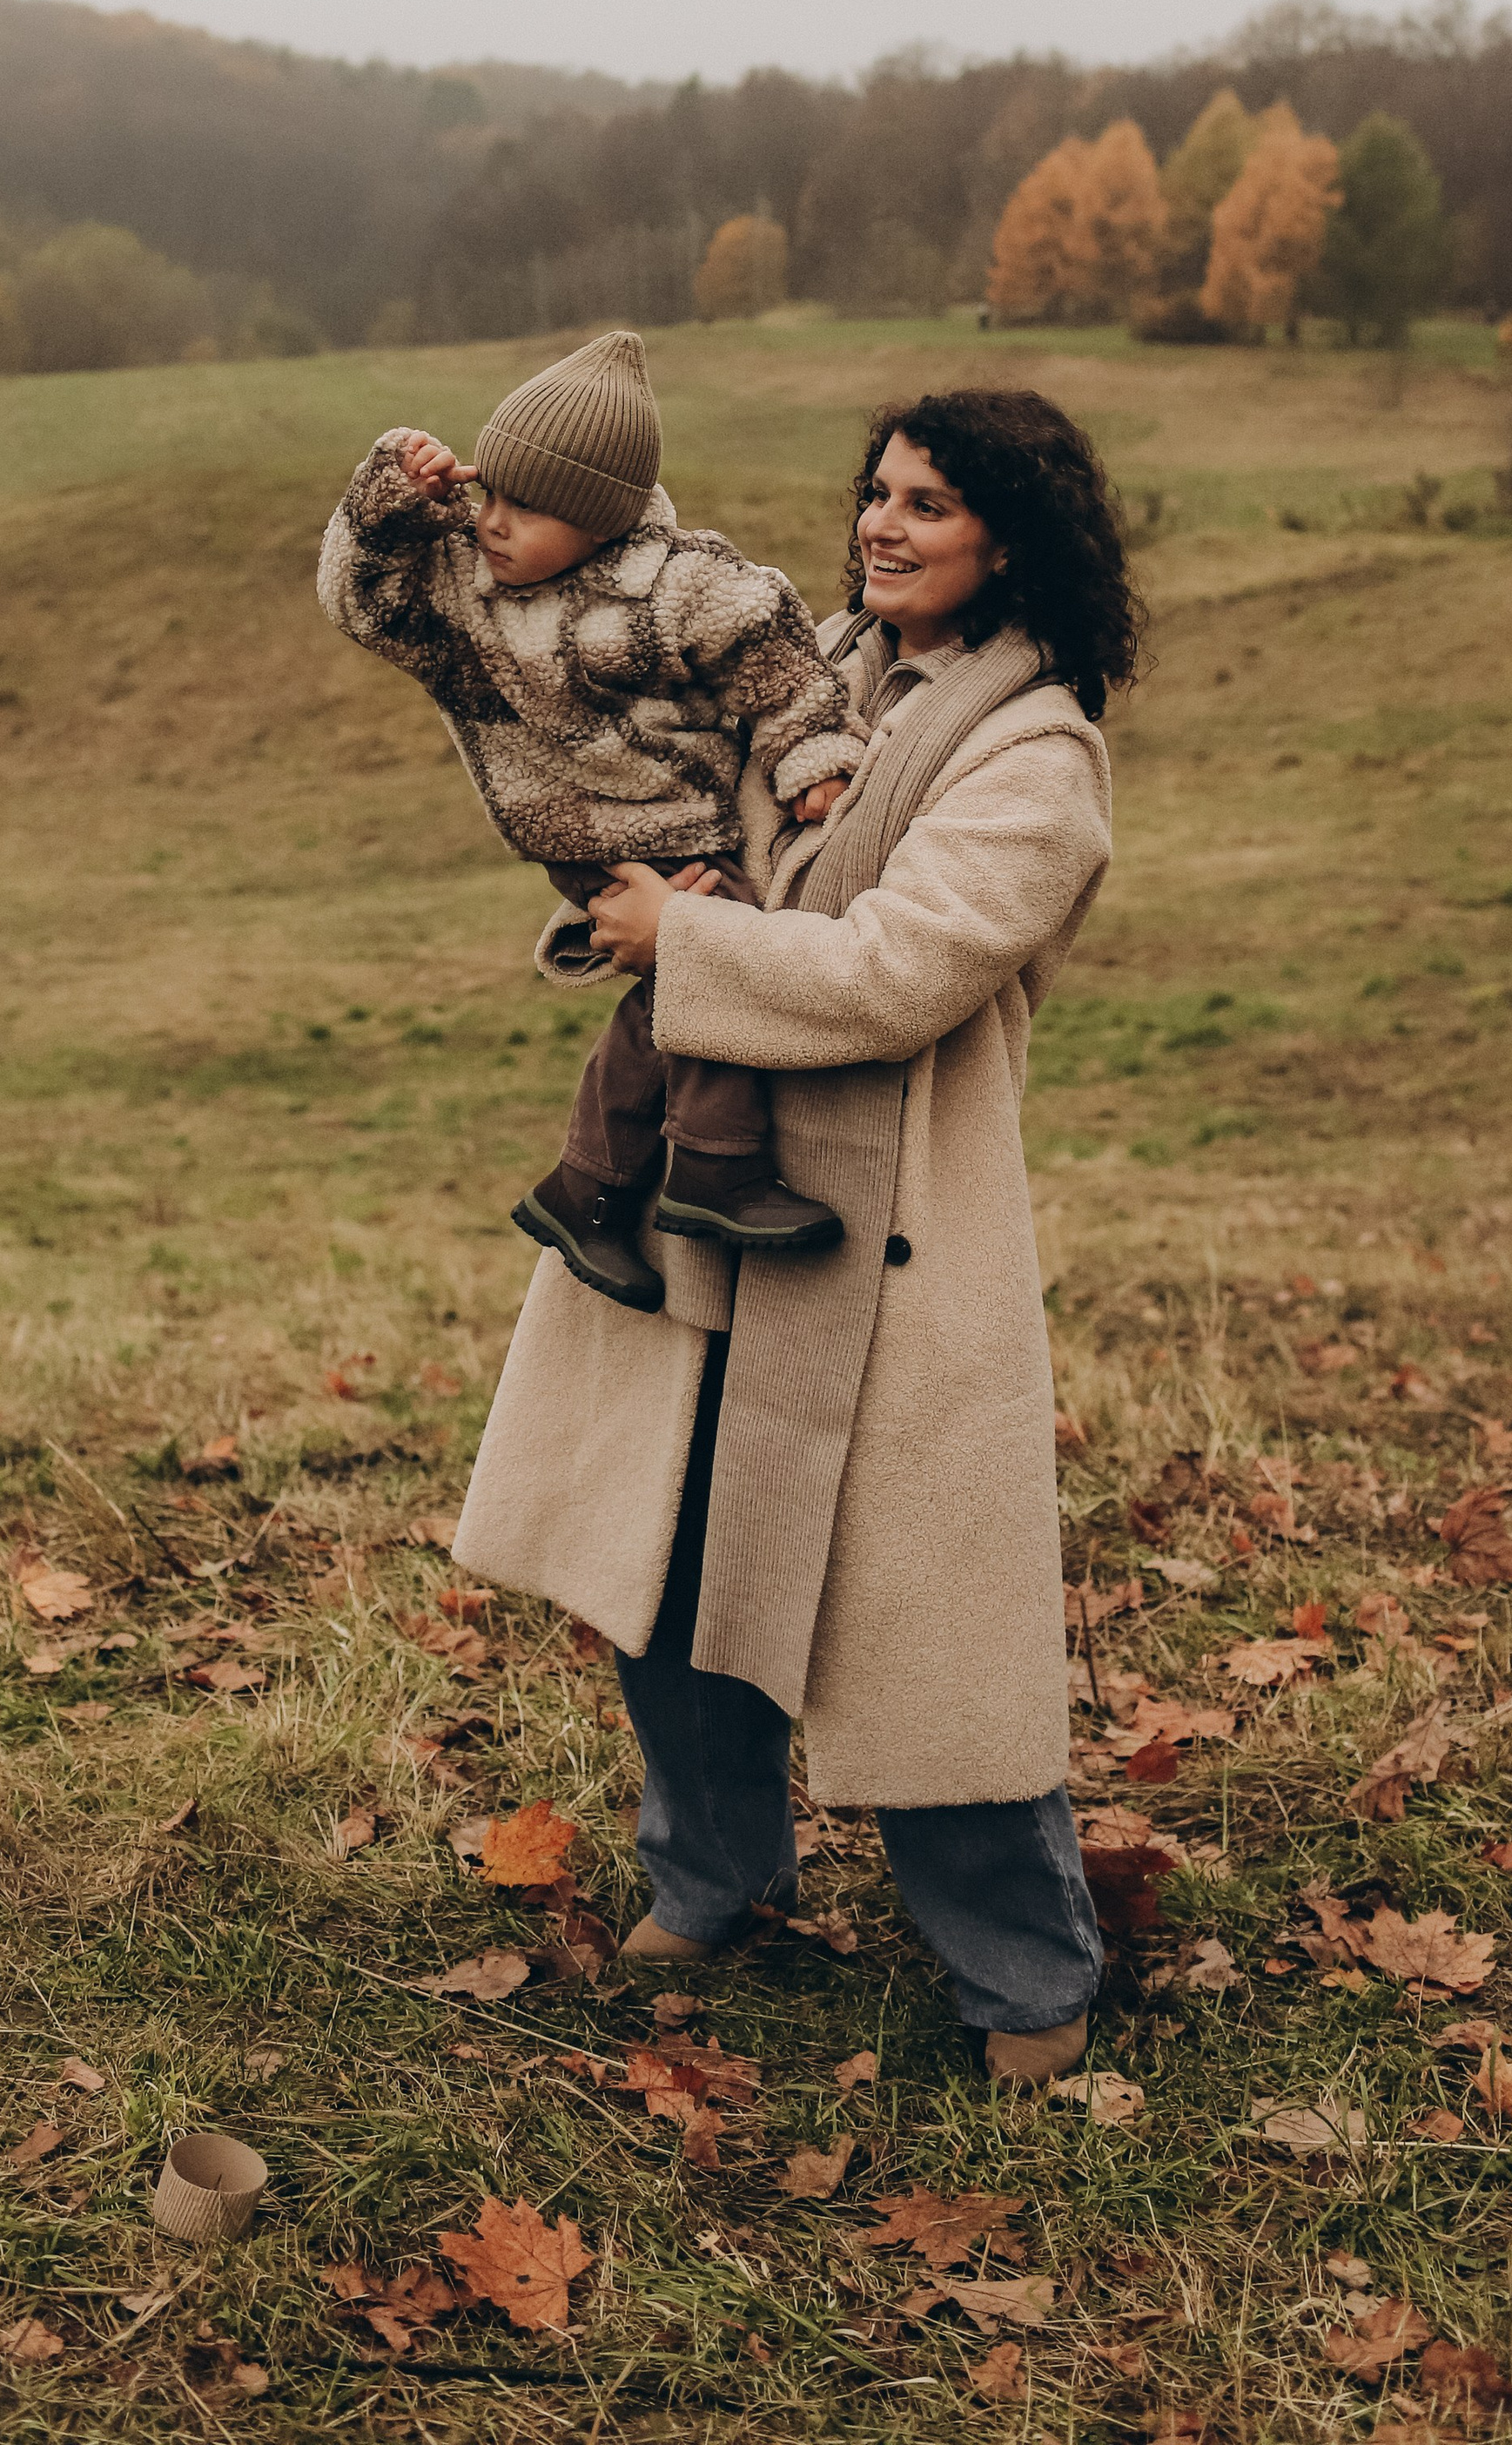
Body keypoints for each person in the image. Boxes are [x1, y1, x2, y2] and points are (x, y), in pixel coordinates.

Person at [452, 387, 1141, 2086]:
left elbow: (900, 971)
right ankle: (713, 1876)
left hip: (888, 1235)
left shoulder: (1034, 755)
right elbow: (685, 828)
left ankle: (1028, 1979)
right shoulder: (806, 670)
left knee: (922, 1640)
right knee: (665, 1567)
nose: (882, 526)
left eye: (929, 504)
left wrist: (676, 953)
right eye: (878, 494)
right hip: (711, 1182)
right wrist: (637, 910)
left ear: (1011, 539)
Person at [317, 329, 865, 1310]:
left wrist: (811, 754)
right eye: (489, 494)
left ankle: (592, 1192)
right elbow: (358, 603)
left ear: (602, 522)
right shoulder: (461, 580)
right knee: (720, 938)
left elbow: (776, 656)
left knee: (675, 981)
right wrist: (393, 496)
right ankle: (711, 1165)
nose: (494, 523)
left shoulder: (674, 583)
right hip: (578, 827)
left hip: (676, 810)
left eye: (527, 508)